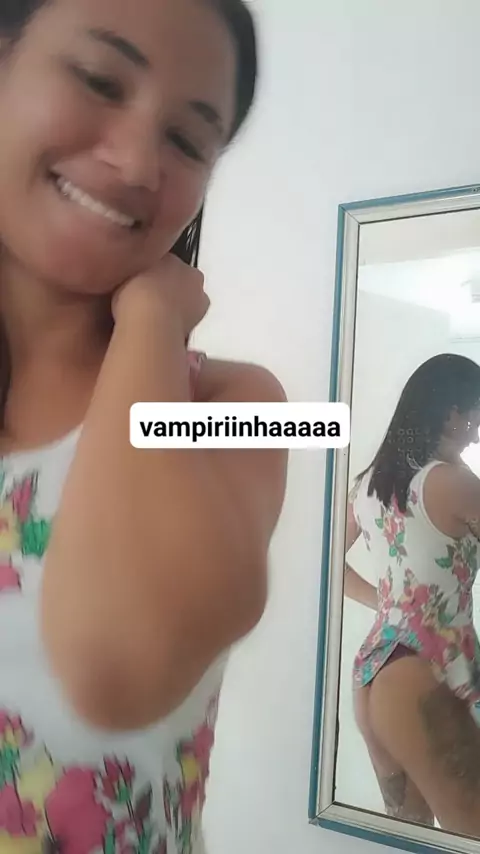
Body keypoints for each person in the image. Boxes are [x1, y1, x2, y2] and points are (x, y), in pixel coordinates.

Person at [0, 1, 288, 852]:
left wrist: (155, 320)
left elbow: (120, 663)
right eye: (99, 80)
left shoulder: (236, 408)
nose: (135, 163)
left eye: (189, 141)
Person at [344, 353, 480, 835]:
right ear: (452, 412)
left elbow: (329, 565)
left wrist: (390, 608)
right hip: (432, 667)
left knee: (410, 834)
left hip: (374, 669)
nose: (477, 430)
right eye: (476, 414)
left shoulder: (368, 485)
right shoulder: (453, 482)